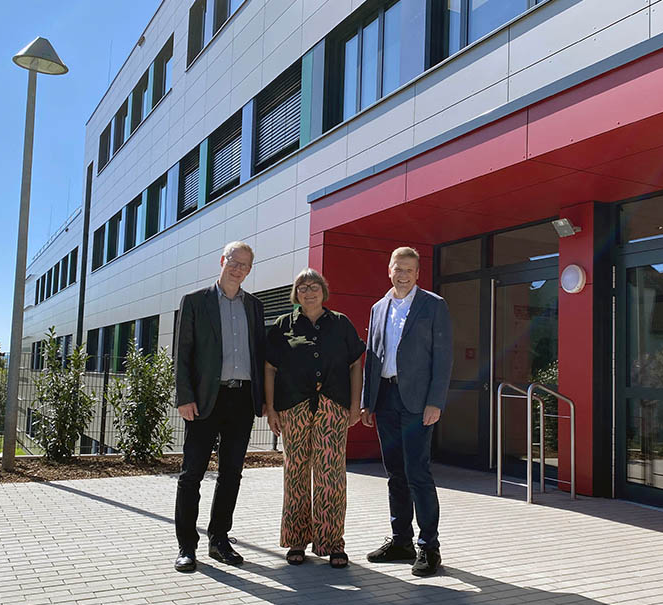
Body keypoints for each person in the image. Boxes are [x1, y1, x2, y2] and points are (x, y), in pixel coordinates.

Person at [172, 241, 265, 572]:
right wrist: (184, 396)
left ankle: (219, 539)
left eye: (245, 265)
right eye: (234, 262)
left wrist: (264, 398)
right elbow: (182, 354)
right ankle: (186, 546)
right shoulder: (196, 302)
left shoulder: (254, 306)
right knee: (192, 474)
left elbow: (260, 355)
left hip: (242, 398)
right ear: (222, 260)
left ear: (250, 270)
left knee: (231, 474)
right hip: (204, 399)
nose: (238, 269)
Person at [361, 246, 453, 577]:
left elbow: (443, 358)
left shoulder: (433, 305)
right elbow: (371, 355)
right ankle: (401, 540)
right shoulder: (378, 308)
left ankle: (429, 547)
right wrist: (367, 401)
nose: (402, 274)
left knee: (418, 473)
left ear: (417, 274)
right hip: (385, 398)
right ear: (389, 270)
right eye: (397, 268)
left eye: (409, 270)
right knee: (395, 474)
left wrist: (435, 402)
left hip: (417, 402)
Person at [264, 268, 365, 568]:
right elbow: (269, 368)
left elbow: (355, 365)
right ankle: (297, 539)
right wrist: (270, 408)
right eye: (303, 287)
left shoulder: (340, 323)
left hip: (333, 408)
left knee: (331, 476)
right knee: (295, 473)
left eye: (314, 286)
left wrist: (355, 404)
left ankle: (333, 542)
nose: (309, 292)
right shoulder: (283, 325)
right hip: (292, 408)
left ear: (324, 291)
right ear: (296, 294)